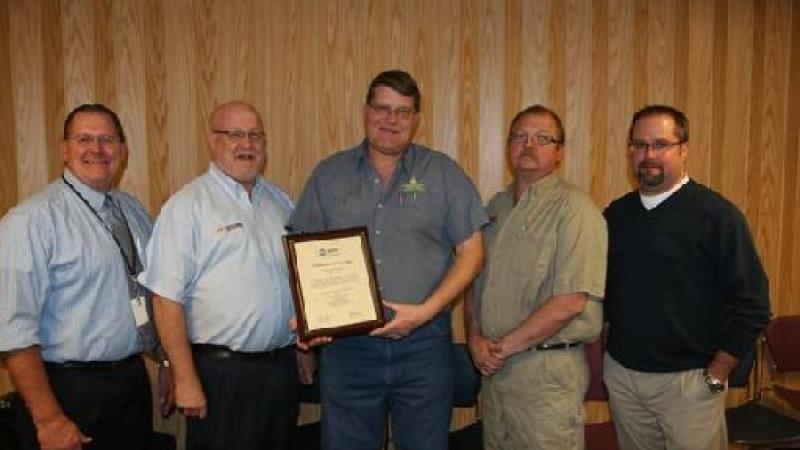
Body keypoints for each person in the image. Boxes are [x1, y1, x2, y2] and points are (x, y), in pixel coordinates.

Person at [288, 69, 487, 450]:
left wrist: (426, 311)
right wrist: (310, 316)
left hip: (424, 346)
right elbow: (304, 253)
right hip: (349, 350)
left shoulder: (443, 173)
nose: (391, 120)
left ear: (416, 118)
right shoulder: (329, 175)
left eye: (403, 111)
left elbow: (472, 252)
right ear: (365, 111)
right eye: (382, 108)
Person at [0, 103, 171, 450]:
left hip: (130, 383)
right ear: (65, 149)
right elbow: (14, 330)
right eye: (84, 139)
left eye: (107, 139)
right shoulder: (31, 220)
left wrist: (167, 360)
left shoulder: (133, 211)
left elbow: (145, 293)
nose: (97, 149)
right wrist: (48, 419)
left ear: (122, 150)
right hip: (66, 391)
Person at [603, 104, 771, 450]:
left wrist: (717, 373)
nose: (648, 154)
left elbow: (753, 304)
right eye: (638, 145)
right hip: (624, 378)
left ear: (684, 149)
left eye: (660, 144)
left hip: (689, 384)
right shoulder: (616, 215)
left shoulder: (718, 217)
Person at [139, 101, 304, 450]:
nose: (247, 144)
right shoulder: (187, 206)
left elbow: (298, 282)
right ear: (212, 141)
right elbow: (165, 300)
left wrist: (306, 344)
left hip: (279, 372)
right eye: (235, 135)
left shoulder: (280, 202)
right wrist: (185, 379)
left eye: (255, 135)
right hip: (220, 375)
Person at [464, 105, 607, 450]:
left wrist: (500, 349)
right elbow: (472, 283)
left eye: (543, 138)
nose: (529, 145)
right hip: (496, 374)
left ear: (559, 153)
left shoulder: (576, 210)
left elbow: (571, 302)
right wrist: (474, 337)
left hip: (546, 375)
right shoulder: (495, 208)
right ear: (508, 147)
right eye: (520, 137)